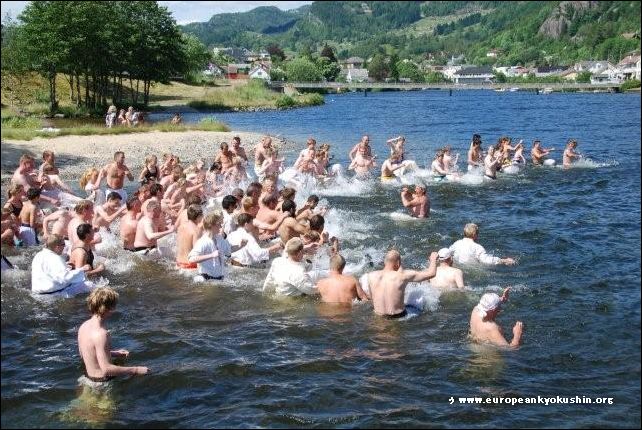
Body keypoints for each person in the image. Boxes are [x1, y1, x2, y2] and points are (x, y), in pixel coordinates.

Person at [78, 287, 148, 384]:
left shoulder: (83, 326)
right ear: (109, 308)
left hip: (87, 379)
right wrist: (136, 370)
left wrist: (114, 353)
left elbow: (85, 354)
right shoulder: (101, 334)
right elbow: (107, 369)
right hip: (102, 384)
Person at [366, 250, 438, 318]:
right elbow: (431, 274)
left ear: (385, 262)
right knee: (419, 302)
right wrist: (433, 258)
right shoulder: (403, 276)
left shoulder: (370, 276)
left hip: (379, 317)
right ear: (398, 263)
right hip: (399, 317)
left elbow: (371, 297)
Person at [188, 211, 231, 281]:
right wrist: (211, 255)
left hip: (219, 279)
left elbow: (228, 249)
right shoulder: (203, 241)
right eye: (219, 224)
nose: (221, 226)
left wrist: (240, 246)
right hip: (207, 280)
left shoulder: (219, 238)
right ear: (212, 225)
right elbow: (191, 259)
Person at [449, 223, 515, 265]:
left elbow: (448, 253)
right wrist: (504, 260)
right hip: (472, 268)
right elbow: (486, 260)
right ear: (475, 235)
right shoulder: (478, 247)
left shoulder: (457, 243)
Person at [175, 205, 203, 269]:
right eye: (202, 215)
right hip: (189, 265)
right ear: (199, 216)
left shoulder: (181, 227)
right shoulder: (196, 230)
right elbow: (197, 252)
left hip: (178, 263)